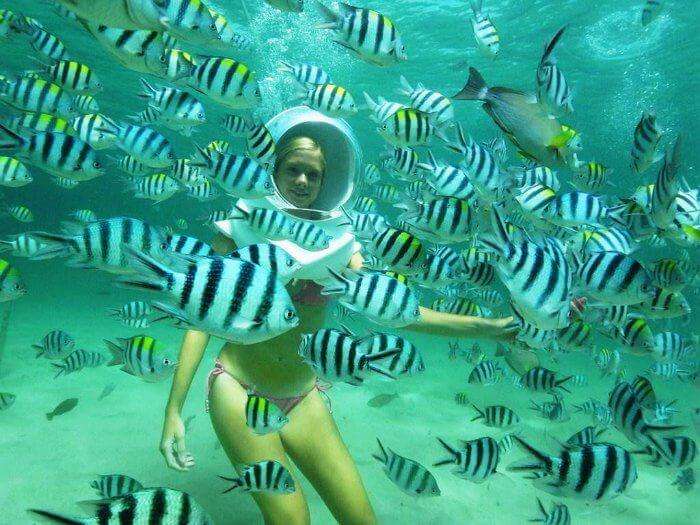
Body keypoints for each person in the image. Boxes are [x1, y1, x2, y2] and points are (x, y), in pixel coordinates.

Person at [160, 107, 516, 525]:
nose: (303, 182)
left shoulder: (343, 243)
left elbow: (396, 310)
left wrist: (487, 328)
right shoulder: (239, 228)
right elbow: (198, 321)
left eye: (313, 175)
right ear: (272, 170)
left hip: (305, 394)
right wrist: (173, 411)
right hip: (239, 389)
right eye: (293, 170)